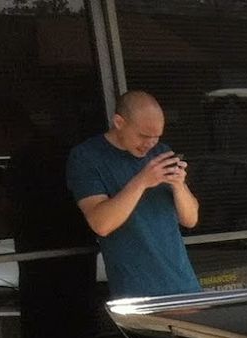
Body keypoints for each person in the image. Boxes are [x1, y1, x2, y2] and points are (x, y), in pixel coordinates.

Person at [66, 90, 201, 301]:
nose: (150, 143)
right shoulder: (87, 157)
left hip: (184, 283)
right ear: (119, 122)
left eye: (157, 137)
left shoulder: (161, 152)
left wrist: (179, 185)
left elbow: (190, 219)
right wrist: (142, 181)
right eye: (144, 136)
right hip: (136, 291)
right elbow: (101, 224)